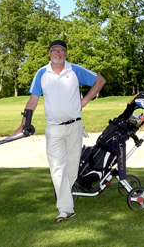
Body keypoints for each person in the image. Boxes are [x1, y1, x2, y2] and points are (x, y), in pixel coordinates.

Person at [11, 40, 106, 222]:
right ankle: (65, 208)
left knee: (71, 169)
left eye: (61, 50)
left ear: (66, 53)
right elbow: (32, 101)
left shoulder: (75, 70)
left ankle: (65, 199)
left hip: (75, 127)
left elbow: (100, 80)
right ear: (49, 53)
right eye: (54, 50)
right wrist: (22, 125)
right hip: (54, 129)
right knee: (57, 169)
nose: (58, 53)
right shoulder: (42, 73)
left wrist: (84, 101)